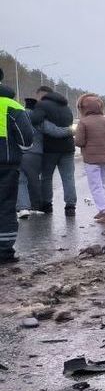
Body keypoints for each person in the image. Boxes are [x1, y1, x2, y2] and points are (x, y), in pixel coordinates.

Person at [0, 68, 35, 264]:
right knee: (5, 205)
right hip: (5, 162)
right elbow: (26, 138)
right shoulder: (11, 105)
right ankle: (4, 252)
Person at [75, 94, 105, 224]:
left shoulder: (83, 122)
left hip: (91, 159)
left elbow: (79, 142)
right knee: (101, 185)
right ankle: (103, 209)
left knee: (96, 187)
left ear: (84, 108)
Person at [32, 86, 76, 215]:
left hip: (50, 149)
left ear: (41, 94)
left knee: (46, 177)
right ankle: (70, 206)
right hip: (68, 147)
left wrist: (43, 124)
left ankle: (47, 204)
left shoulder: (41, 105)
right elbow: (70, 124)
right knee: (68, 178)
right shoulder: (66, 107)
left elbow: (34, 120)